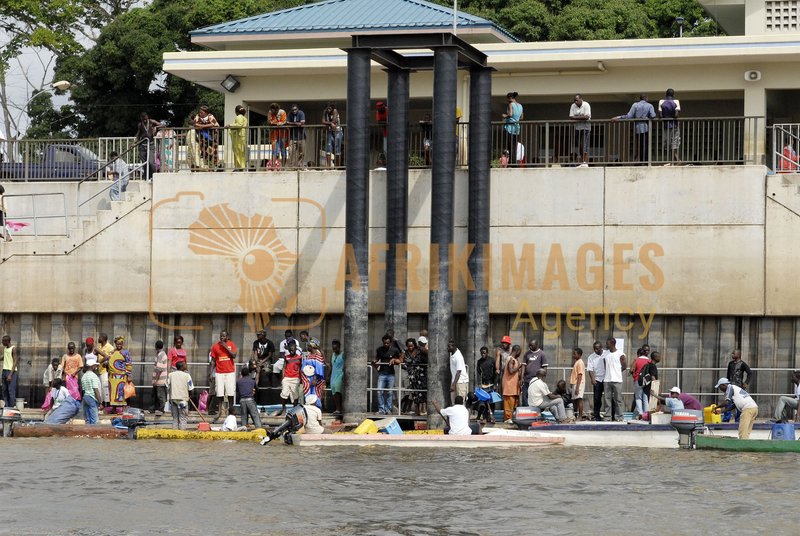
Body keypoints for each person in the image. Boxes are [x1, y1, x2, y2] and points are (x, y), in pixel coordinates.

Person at [613, 94, 656, 162]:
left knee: (639, 145)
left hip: (637, 128)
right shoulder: (649, 105)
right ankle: (646, 161)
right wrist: (647, 118)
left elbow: (629, 116)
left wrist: (618, 117)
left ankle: (640, 160)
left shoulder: (635, 105)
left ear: (640, 98)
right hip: (646, 128)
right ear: (646, 98)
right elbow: (653, 115)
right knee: (646, 145)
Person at [209, 330, 237, 423]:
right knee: (219, 393)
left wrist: (226, 347)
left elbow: (234, 355)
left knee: (230, 392)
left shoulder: (231, 344)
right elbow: (213, 360)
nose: (222, 338)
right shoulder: (215, 346)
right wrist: (210, 372)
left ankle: (231, 410)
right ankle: (220, 411)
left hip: (230, 372)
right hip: (219, 372)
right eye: (221, 336)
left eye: (224, 336)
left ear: (227, 337)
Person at [373, 334, 402, 415]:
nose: (386, 344)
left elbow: (400, 360)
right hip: (382, 373)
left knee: (389, 392)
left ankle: (388, 409)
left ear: (390, 343)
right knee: (379, 391)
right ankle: (381, 409)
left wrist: (394, 359)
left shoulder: (395, 350)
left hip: (390, 374)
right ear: (383, 342)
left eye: (387, 343)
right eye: (384, 343)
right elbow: (377, 358)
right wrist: (375, 361)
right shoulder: (379, 350)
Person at [724, 349, 752, 422]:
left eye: (734, 353)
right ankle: (726, 418)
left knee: (739, 403)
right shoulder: (730, 363)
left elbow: (750, 373)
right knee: (728, 402)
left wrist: (746, 382)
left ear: (738, 355)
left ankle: (738, 419)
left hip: (739, 386)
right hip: (730, 386)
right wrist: (727, 384)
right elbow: (728, 375)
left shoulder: (742, 364)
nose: (732, 355)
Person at [603, 337, 626, 422]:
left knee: (618, 399)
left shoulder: (620, 354)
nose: (606, 345)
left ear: (612, 343)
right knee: (607, 399)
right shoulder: (605, 354)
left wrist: (617, 372)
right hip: (607, 380)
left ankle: (619, 417)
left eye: (607, 343)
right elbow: (605, 364)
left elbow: (624, 366)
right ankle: (607, 417)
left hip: (617, 380)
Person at [403, 338, 427, 416]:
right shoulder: (405, 353)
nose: (410, 347)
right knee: (414, 393)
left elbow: (429, 354)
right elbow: (402, 361)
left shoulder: (419, 350)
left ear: (415, 345)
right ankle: (417, 411)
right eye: (409, 346)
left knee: (421, 392)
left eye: (412, 346)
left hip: (421, 375)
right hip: (412, 376)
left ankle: (422, 410)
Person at [167, 361, 193, 430]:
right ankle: (181, 436)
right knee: (183, 419)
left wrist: (169, 397)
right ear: (182, 367)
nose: (186, 366)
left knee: (175, 419)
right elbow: (191, 389)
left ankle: (175, 435)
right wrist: (189, 396)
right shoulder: (187, 375)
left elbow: (167, 386)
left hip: (173, 399)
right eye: (185, 365)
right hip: (183, 400)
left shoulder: (170, 375)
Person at [278, 339, 303, 416]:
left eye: (293, 348)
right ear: (288, 349)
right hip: (287, 378)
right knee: (284, 394)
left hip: (296, 378)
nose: (292, 350)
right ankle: (284, 408)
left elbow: (301, 369)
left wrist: (301, 379)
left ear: (296, 348)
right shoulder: (286, 357)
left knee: (295, 395)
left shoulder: (299, 357)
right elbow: (284, 367)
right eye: (290, 349)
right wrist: (283, 378)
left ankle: (294, 410)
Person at [108, 336, 132, 412]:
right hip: (112, 377)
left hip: (122, 377)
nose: (119, 345)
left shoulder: (125, 353)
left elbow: (129, 364)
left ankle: (124, 408)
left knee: (121, 392)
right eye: (117, 344)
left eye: (120, 344)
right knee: (113, 393)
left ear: (122, 344)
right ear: (115, 344)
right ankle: (114, 409)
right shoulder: (112, 352)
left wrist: (129, 375)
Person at [521, 339, 548, 406]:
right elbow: (523, 366)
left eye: (532, 346)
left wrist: (543, 379)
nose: (530, 347)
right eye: (529, 345)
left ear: (536, 345)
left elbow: (544, 367)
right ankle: (525, 410)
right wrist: (522, 377)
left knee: (535, 397)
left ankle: (534, 412)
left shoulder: (542, 354)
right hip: (527, 379)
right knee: (525, 396)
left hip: (536, 380)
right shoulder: (527, 354)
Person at [251, 330, 275, 404]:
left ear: (264, 335)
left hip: (266, 359)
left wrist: (262, 361)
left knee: (267, 370)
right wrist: (257, 361)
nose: (258, 336)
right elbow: (255, 353)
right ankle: (256, 384)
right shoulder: (256, 342)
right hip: (259, 359)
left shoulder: (270, 343)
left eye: (259, 335)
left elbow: (270, 355)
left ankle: (270, 383)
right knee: (256, 368)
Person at [658, 88, 681, 163]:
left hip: (666, 125)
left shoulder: (662, 102)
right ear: (673, 95)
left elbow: (660, 115)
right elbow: (676, 115)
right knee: (674, 142)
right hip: (674, 125)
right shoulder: (676, 101)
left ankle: (675, 159)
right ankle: (676, 159)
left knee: (667, 142)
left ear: (666, 94)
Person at [135, 112, 161, 179]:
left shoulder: (152, 121)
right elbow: (138, 134)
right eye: (143, 118)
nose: (145, 120)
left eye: (145, 118)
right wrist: (134, 142)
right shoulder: (140, 125)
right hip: (142, 145)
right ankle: (147, 176)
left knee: (151, 162)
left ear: (147, 117)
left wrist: (156, 127)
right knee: (144, 163)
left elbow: (163, 125)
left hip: (150, 145)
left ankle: (154, 175)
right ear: (141, 118)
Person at [301, 338, 326, 405]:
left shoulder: (318, 355)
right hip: (308, 379)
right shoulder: (309, 355)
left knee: (315, 394)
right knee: (309, 396)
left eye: (308, 346)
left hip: (315, 380)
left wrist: (315, 379)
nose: (307, 347)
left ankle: (316, 408)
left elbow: (319, 368)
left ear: (312, 346)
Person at [569, 94, 592, 166]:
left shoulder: (586, 105)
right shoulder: (573, 106)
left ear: (581, 99)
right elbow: (570, 117)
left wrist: (576, 117)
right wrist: (582, 117)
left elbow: (587, 117)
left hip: (586, 128)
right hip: (577, 128)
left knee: (585, 144)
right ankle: (583, 160)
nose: (576, 102)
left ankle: (585, 162)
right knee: (580, 145)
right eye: (575, 100)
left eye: (577, 100)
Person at [502, 344, 522, 423]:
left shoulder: (514, 359)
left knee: (513, 401)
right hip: (509, 384)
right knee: (509, 401)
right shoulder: (511, 359)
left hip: (513, 384)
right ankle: (507, 418)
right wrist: (519, 366)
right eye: (520, 352)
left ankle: (511, 417)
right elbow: (511, 371)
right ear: (517, 351)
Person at [502, 92, 523, 166]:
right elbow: (521, 117)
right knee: (514, 146)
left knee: (510, 146)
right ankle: (513, 163)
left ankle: (511, 163)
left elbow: (510, 114)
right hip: (517, 128)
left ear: (510, 98)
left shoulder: (511, 104)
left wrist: (505, 116)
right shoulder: (520, 106)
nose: (507, 101)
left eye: (507, 99)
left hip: (510, 128)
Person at [586, 342, 606, 420]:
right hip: (597, 380)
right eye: (594, 348)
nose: (595, 350)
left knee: (609, 398)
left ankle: (611, 415)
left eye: (597, 348)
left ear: (601, 347)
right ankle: (596, 415)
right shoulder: (591, 357)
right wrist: (592, 379)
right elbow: (590, 369)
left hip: (607, 379)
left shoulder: (607, 354)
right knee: (597, 398)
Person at [476, 346, 496, 424]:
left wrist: (495, 383)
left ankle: (491, 416)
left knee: (492, 401)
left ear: (487, 352)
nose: (483, 354)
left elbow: (496, 372)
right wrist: (479, 384)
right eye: (482, 353)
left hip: (491, 383)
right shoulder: (479, 362)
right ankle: (484, 417)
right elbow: (478, 373)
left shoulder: (492, 360)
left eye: (484, 353)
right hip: (484, 384)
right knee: (484, 401)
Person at [630, 347, 652, 418]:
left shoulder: (636, 360)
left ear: (639, 354)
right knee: (645, 398)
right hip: (647, 381)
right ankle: (646, 414)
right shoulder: (649, 361)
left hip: (638, 380)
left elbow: (631, 370)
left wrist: (634, 375)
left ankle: (640, 413)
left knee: (638, 397)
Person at [80, 356, 102, 425]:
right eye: (95, 365)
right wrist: (100, 402)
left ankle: (87, 433)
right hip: (92, 398)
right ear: (92, 366)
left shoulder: (84, 376)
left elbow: (83, 390)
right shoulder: (93, 376)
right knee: (94, 419)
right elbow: (96, 390)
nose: (96, 367)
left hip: (85, 397)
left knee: (88, 419)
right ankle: (95, 432)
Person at [226, 105, 248, 171]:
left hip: (238, 137)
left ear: (236, 112)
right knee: (241, 152)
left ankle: (239, 167)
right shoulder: (244, 118)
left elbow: (239, 125)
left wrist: (230, 125)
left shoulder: (239, 117)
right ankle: (241, 167)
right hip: (242, 136)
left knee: (238, 152)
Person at [93, 335, 112, 409]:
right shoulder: (100, 347)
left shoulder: (109, 347)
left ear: (103, 339)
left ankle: (107, 405)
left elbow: (110, 357)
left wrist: (100, 361)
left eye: (100, 337)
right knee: (101, 388)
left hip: (106, 370)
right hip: (100, 370)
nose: (98, 338)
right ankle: (103, 404)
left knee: (105, 387)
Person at [448, 340, 469, 404]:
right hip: (455, 381)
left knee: (461, 402)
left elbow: (458, 371)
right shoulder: (452, 353)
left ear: (454, 347)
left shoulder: (458, 357)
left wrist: (453, 385)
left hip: (461, 382)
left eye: (449, 347)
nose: (447, 348)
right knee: (453, 401)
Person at [322, 102, 343, 167]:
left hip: (337, 132)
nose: (328, 110)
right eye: (327, 109)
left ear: (332, 108)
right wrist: (324, 113)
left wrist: (329, 123)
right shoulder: (326, 112)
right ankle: (328, 167)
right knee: (328, 149)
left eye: (329, 108)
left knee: (337, 150)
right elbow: (322, 121)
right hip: (330, 131)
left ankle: (337, 167)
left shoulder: (335, 111)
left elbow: (334, 121)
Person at [151, 340, 168, 416]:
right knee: (156, 395)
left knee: (160, 395)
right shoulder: (160, 354)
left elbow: (159, 369)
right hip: (159, 379)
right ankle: (155, 408)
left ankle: (161, 409)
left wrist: (156, 380)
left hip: (160, 380)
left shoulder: (161, 355)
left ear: (156, 347)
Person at [286, 104, 306, 168]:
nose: (294, 111)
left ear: (298, 109)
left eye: (295, 109)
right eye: (292, 110)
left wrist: (292, 123)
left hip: (301, 137)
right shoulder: (290, 114)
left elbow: (302, 122)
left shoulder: (301, 113)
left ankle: (300, 165)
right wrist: (296, 123)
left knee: (302, 152)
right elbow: (287, 123)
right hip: (292, 137)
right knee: (291, 152)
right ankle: (292, 166)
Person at [2, 335, 18, 408]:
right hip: (4, 371)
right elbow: (5, 357)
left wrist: (10, 375)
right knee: (4, 390)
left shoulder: (13, 349)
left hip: (11, 372)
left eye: (3, 341)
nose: (2, 343)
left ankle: (11, 406)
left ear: (7, 341)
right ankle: (7, 405)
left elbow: (15, 362)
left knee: (11, 390)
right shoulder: (5, 348)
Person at [329, 339, 345, 416]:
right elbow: (331, 365)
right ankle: (337, 408)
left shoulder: (343, 355)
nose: (334, 350)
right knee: (334, 393)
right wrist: (328, 376)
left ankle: (339, 409)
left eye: (336, 348)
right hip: (333, 375)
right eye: (333, 348)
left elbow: (346, 365)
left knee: (338, 392)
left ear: (339, 347)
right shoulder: (333, 355)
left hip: (340, 374)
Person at [569, 347, 586, 420]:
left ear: (579, 354)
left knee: (579, 399)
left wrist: (577, 388)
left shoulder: (580, 363)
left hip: (579, 383)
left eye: (574, 354)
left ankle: (580, 416)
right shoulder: (577, 362)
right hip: (575, 383)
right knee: (575, 400)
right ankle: (575, 415)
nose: (573, 355)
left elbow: (580, 375)